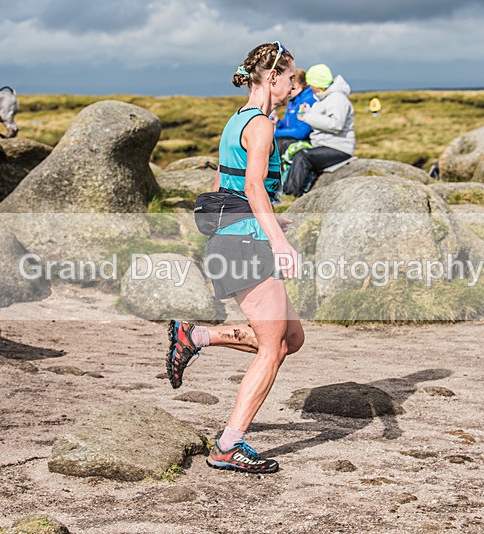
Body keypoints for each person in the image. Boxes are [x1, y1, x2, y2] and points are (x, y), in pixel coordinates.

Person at [165, 42, 304, 474]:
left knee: (291, 339)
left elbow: (221, 179)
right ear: (272, 76)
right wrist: (278, 241)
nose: (294, 86)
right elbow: (255, 189)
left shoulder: (238, 121)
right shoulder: (260, 125)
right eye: (291, 77)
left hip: (233, 237)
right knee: (271, 348)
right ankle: (229, 444)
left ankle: (196, 337)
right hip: (245, 242)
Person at [283, 64, 355, 197]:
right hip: (324, 144)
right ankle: (289, 189)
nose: (310, 88)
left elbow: (336, 125)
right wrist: (308, 112)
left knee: (302, 157)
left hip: (338, 148)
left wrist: (308, 116)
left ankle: (291, 194)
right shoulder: (325, 98)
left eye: (312, 84)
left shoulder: (338, 99)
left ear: (318, 84)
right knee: (293, 149)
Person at [273, 68, 317, 156]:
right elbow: (288, 126)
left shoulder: (307, 101)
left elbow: (302, 132)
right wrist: (279, 123)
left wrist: (274, 132)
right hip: (292, 139)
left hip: (306, 141)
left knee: (277, 144)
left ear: (295, 85)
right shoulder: (293, 101)